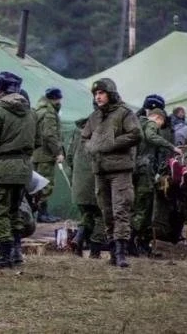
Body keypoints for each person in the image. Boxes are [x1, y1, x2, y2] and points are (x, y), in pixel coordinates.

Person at [0, 72, 36, 268]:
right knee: (15, 210)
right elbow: (37, 141)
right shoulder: (30, 112)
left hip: (2, 167)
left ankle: (4, 254)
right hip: (24, 168)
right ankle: (16, 251)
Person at [81, 78, 141, 268]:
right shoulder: (94, 117)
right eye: (95, 94)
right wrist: (91, 147)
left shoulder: (125, 113)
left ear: (110, 93)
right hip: (100, 170)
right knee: (106, 212)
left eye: (101, 93)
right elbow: (84, 138)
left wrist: (111, 144)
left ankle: (122, 252)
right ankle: (114, 251)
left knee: (120, 210)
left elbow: (136, 134)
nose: (98, 97)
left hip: (120, 170)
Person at [132, 108, 181, 255]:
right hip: (145, 170)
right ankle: (132, 243)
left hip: (136, 169)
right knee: (144, 208)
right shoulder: (151, 124)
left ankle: (137, 243)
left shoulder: (137, 123)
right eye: (161, 123)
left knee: (137, 207)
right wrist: (172, 147)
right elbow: (151, 136)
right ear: (159, 118)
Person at [67, 118, 105, 258]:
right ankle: (95, 251)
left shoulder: (77, 132)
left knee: (87, 214)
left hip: (79, 182)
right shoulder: (104, 132)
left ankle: (78, 239)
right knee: (102, 215)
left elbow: (69, 157)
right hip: (97, 181)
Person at [32, 88, 64, 223]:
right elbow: (49, 135)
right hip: (45, 154)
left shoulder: (39, 110)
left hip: (36, 154)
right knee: (45, 185)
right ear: (56, 98)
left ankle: (38, 213)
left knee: (38, 185)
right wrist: (58, 152)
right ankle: (42, 213)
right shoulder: (49, 113)